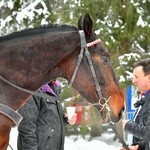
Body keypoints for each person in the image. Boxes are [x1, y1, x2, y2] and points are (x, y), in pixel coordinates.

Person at [17, 80, 76, 150]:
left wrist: (65, 119)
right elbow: (26, 126)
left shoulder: (55, 88)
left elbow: (47, 119)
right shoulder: (32, 89)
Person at [120, 58, 150, 150]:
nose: (133, 81)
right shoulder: (145, 99)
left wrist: (129, 125)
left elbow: (147, 133)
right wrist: (137, 147)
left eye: (136, 77)